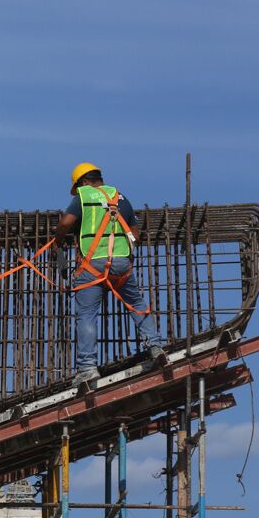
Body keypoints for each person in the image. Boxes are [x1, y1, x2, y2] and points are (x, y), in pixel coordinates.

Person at [53, 162, 168, 388]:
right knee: (136, 303)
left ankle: (87, 369)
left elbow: (66, 222)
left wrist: (58, 242)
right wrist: (124, 253)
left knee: (86, 315)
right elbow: (135, 234)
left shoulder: (83, 197)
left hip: (92, 266)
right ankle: (155, 347)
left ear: (83, 182)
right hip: (121, 265)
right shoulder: (120, 197)